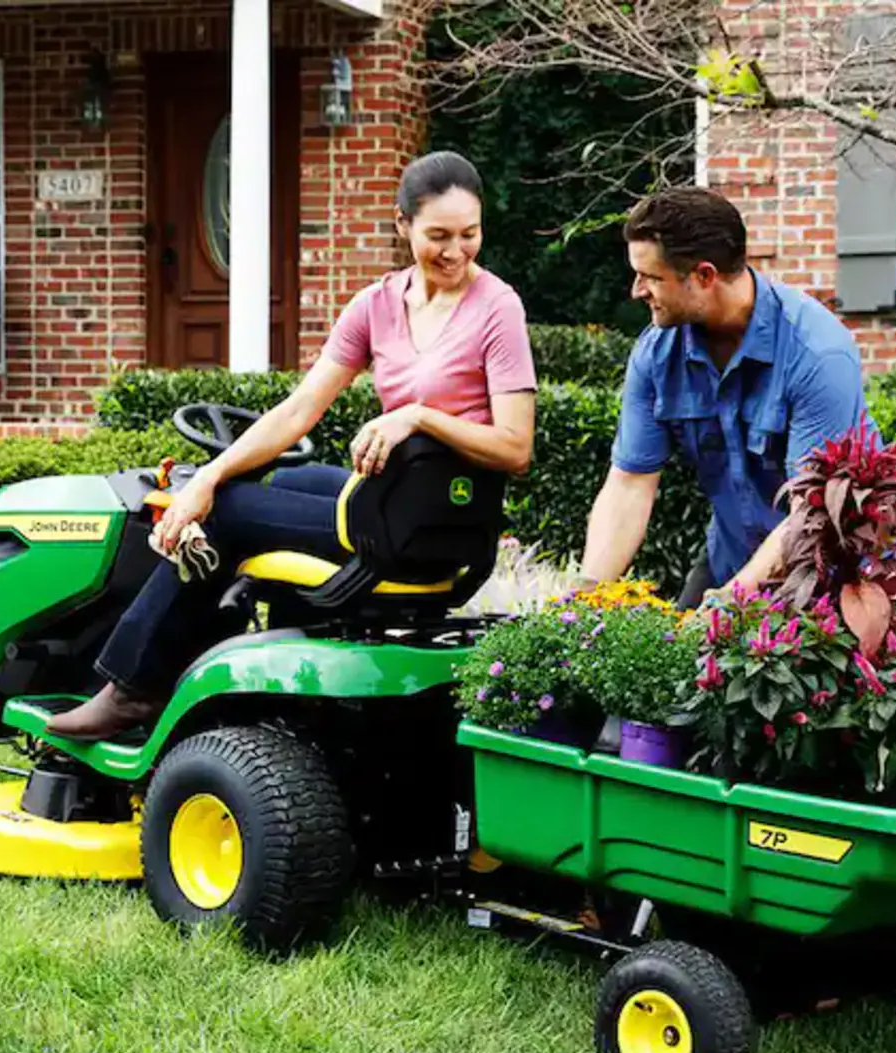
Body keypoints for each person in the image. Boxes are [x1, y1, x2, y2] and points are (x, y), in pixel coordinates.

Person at [47, 150, 537, 742]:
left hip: (438, 520)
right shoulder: (377, 304)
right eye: (438, 236)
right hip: (393, 499)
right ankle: (270, 671)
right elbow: (299, 410)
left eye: (469, 234)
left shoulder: (496, 308)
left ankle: (133, 688)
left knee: (228, 514)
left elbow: (515, 446)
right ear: (402, 224)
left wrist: (417, 416)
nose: (456, 251)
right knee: (286, 483)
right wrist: (209, 476)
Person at [579, 186, 871, 608]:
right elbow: (629, 486)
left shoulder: (818, 354)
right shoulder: (657, 354)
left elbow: (810, 511)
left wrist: (726, 604)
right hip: (731, 557)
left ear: (704, 275)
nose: (636, 290)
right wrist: (582, 602)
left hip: (829, 574)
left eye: (651, 277)